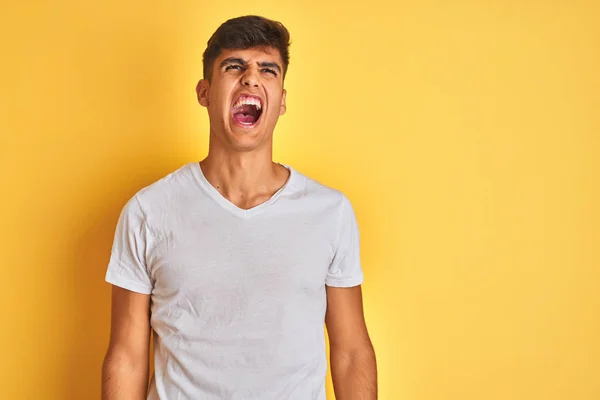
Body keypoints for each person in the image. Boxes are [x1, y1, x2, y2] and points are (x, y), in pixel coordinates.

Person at [101, 15, 377, 399]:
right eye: (234, 67)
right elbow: (127, 356)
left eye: (267, 69)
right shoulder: (148, 211)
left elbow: (350, 352)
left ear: (281, 100)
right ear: (204, 92)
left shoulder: (330, 213)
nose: (251, 78)